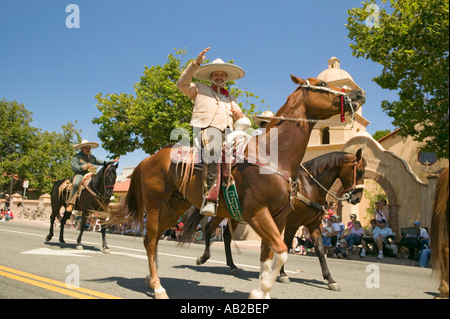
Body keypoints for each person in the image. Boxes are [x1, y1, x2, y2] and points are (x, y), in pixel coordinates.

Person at [177, 47, 245, 217]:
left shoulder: (232, 98)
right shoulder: (199, 89)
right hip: (207, 130)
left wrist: (239, 116)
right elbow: (181, 84)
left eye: (222, 75)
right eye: (216, 75)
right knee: (213, 150)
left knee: (252, 152)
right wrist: (196, 63)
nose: (219, 77)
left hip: (229, 133)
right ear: (211, 77)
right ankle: (209, 199)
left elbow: (240, 118)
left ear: (226, 78)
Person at [65, 139, 119, 215]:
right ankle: (71, 203)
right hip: (80, 174)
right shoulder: (76, 157)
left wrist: (112, 161)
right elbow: (74, 167)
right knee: (76, 183)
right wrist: (85, 166)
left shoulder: (92, 157)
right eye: (86, 147)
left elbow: (102, 162)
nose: (88, 149)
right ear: (82, 148)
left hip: (90, 173)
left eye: (89, 148)